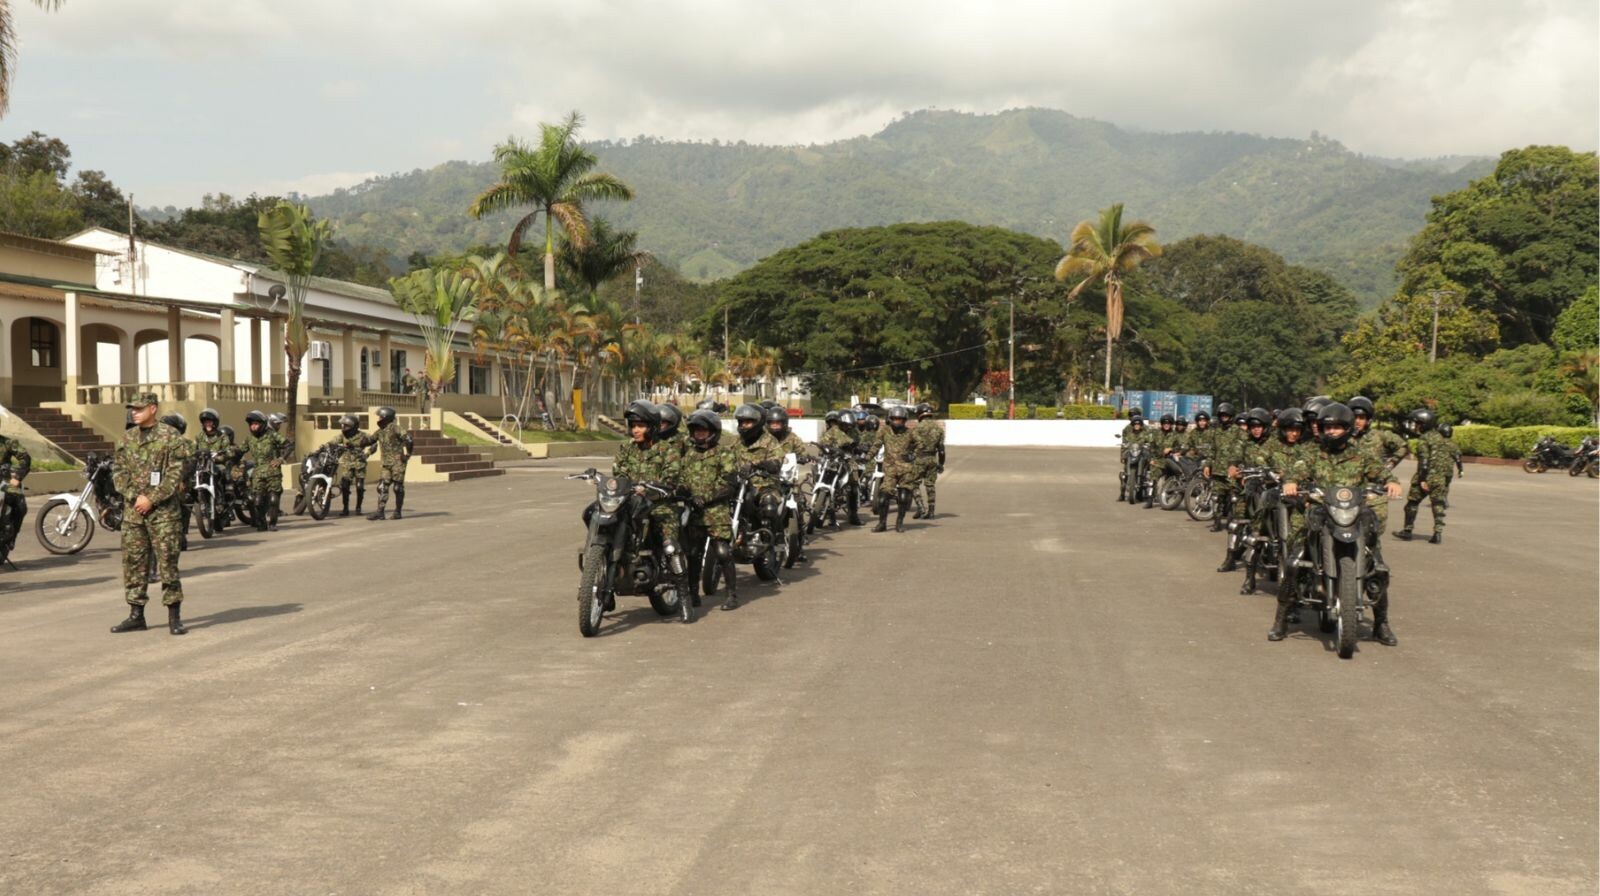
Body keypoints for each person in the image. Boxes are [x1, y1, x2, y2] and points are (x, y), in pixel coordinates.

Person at [1275, 402, 1404, 645]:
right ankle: (1281, 620)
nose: (1332, 431)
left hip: (1353, 514)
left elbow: (1381, 473)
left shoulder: (1360, 455)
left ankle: (1381, 624)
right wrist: (1291, 482)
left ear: (1347, 428)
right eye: (1328, 427)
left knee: (1377, 566)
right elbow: (1297, 470)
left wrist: (1391, 482)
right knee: (1294, 562)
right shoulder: (1312, 452)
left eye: (1337, 427)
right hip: (1319, 512)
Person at [110, 394, 188, 635]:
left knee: (167, 564)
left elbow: (176, 473)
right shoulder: (127, 437)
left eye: (139, 408)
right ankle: (136, 615)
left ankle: (174, 617)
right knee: (134, 563)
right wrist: (137, 498)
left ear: (153, 409)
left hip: (163, 513)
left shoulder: (170, 436)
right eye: (132, 408)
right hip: (134, 513)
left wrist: (151, 499)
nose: (134, 412)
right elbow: (119, 473)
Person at [614, 401, 692, 615]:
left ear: (652, 427)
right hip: (630, 504)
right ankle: (605, 585)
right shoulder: (626, 448)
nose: (635, 430)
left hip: (660, 506)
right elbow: (618, 473)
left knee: (670, 547)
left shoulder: (668, 451)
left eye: (641, 425)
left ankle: (684, 597)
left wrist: (650, 490)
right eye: (633, 425)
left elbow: (671, 478)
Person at [680, 409, 742, 611]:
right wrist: (685, 494)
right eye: (696, 430)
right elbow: (680, 479)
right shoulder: (688, 454)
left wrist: (705, 498)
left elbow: (730, 485)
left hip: (715, 513)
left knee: (723, 553)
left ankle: (731, 595)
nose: (699, 434)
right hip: (693, 513)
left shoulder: (724, 454)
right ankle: (692, 594)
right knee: (693, 555)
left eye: (703, 430)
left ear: (713, 432)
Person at [1394, 408, 1452, 543]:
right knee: (1437, 504)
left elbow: (1424, 463)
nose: (1416, 427)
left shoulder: (1423, 440)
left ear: (1424, 424)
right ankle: (1437, 533)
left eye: (1418, 424)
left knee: (1411, 504)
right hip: (1440, 477)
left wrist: (1422, 479)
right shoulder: (1441, 438)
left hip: (1427, 477)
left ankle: (1407, 530)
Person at [873, 405, 919, 533]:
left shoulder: (910, 433)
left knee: (904, 498)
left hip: (906, 470)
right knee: (882, 498)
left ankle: (899, 523)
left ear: (904, 420)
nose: (897, 421)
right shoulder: (884, 431)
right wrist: (866, 458)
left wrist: (913, 454)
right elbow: (875, 446)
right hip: (890, 470)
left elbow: (921, 446)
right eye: (895, 419)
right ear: (890, 419)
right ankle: (882, 523)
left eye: (900, 419)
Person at [365, 406, 414, 520]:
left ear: (385, 417)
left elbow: (409, 439)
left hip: (398, 463)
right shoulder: (380, 431)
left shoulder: (395, 428)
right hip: (386, 464)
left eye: (380, 416)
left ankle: (397, 512)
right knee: (382, 486)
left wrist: (407, 455)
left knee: (397, 487)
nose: (378, 418)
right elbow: (370, 440)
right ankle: (380, 512)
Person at [242, 410, 286, 531]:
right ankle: (261, 523)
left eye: (256, 423)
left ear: (262, 424)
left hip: (273, 472)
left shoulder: (272, 434)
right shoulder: (249, 439)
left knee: (273, 499)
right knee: (257, 501)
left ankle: (272, 523)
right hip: (258, 473)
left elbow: (288, 445)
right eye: (251, 424)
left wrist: (281, 459)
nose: (253, 426)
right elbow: (239, 451)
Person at [331, 414, 375, 517]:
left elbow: (374, 444)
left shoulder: (364, 436)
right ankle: (345, 508)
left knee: (359, 487)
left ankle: (358, 508)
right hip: (347, 465)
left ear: (354, 426)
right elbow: (332, 442)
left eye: (346, 426)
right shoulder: (342, 436)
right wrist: (326, 446)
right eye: (343, 425)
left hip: (360, 464)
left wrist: (367, 454)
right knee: (345, 486)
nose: (344, 428)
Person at [0, 424, 31, 560]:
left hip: (4, 481)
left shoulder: (7, 443)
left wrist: (17, 477)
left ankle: (11, 537)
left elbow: (25, 458)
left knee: (20, 505)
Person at [911, 403, 946, 519]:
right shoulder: (939, 429)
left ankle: (920, 507)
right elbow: (941, 450)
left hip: (919, 459)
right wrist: (941, 464)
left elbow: (910, 446)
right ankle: (931, 512)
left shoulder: (917, 428)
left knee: (913, 484)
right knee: (930, 485)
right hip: (932, 459)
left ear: (920, 414)